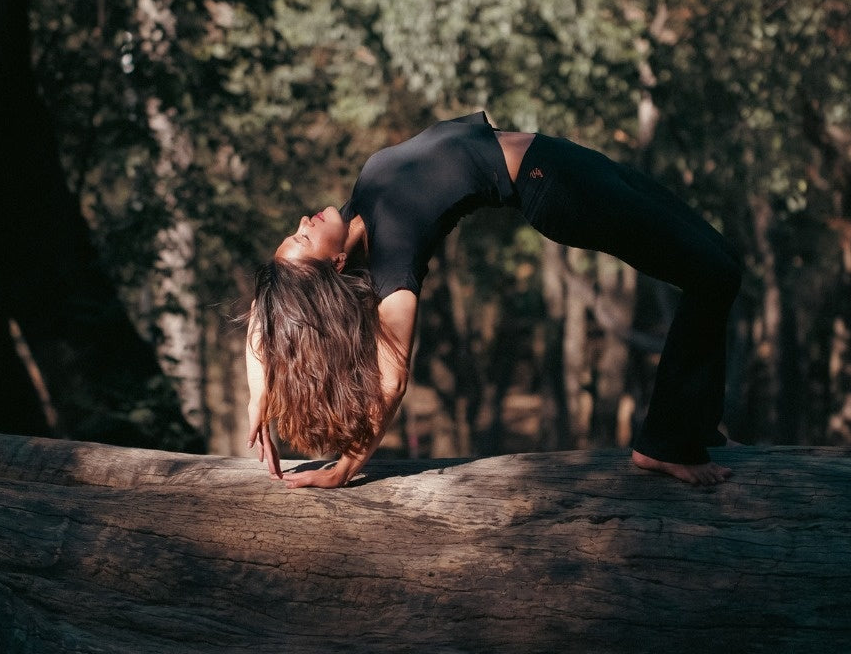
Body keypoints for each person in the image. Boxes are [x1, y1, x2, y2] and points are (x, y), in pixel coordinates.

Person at [245, 111, 742, 488]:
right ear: (333, 267)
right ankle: (666, 443)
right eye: (304, 238)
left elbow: (265, 313)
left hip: (565, 162)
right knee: (712, 274)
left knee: (722, 259)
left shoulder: (358, 210)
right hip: (559, 188)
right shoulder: (392, 255)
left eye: (296, 231)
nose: (304, 222)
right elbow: (392, 380)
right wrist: (347, 465)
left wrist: (258, 394)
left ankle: (694, 428)